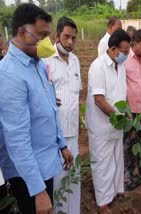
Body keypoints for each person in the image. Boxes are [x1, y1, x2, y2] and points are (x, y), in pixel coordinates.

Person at [0, 3, 73, 213]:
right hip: (28, 174)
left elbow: (50, 107)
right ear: (22, 32)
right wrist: (38, 191)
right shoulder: (9, 75)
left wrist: (61, 144)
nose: (47, 42)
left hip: (45, 160)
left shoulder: (39, 64)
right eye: (42, 35)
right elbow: (17, 140)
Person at [86, 29, 131, 213]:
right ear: (113, 49)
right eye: (125, 52)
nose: (127, 55)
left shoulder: (120, 67)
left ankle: (116, 191)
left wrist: (126, 114)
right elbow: (99, 100)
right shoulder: (98, 67)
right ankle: (103, 202)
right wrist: (118, 117)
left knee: (116, 158)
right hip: (102, 126)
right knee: (102, 163)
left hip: (116, 125)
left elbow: (122, 95)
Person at [45, 16, 81, 214]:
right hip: (54, 135)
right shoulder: (45, 61)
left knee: (73, 177)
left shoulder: (75, 61)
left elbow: (77, 94)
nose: (70, 42)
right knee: (58, 180)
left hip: (73, 131)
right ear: (56, 35)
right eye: (66, 37)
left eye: (74, 38)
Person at [123, 29, 141, 191]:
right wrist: (128, 114)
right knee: (129, 143)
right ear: (134, 43)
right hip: (131, 112)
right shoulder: (125, 61)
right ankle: (128, 174)